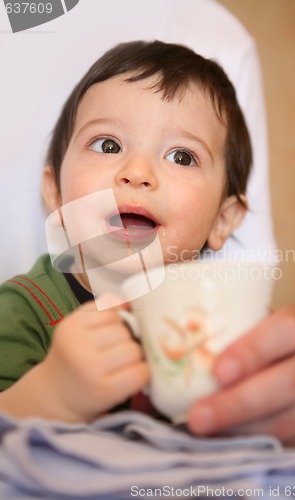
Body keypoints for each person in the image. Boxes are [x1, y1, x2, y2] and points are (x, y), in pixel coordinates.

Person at [0, 40, 251, 423]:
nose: (137, 173)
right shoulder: (20, 313)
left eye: (181, 156)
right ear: (55, 193)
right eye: (107, 145)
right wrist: (50, 394)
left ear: (222, 221)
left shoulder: (229, 322)